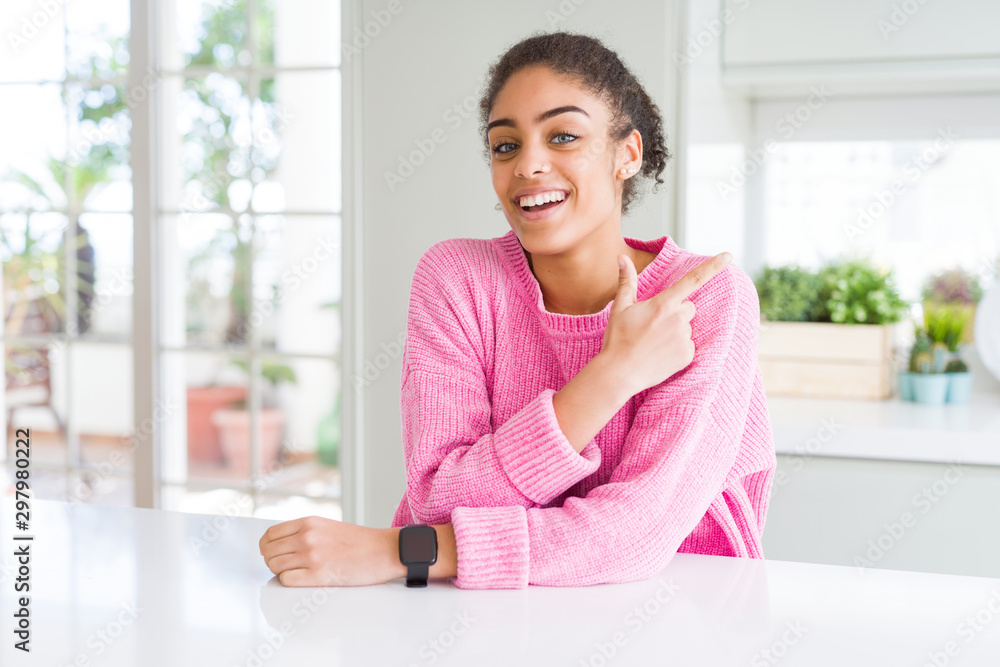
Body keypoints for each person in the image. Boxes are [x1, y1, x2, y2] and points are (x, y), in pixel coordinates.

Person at [259, 31, 776, 590]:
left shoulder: (700, 300)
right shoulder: (456, 280)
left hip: (671, 612)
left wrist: (402, 552)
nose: (528, 164)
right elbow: (438, 496)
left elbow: (637, 534)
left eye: (562, 136)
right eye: (506, 145)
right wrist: (610, 378)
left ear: (626, 154)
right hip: (472, 614)